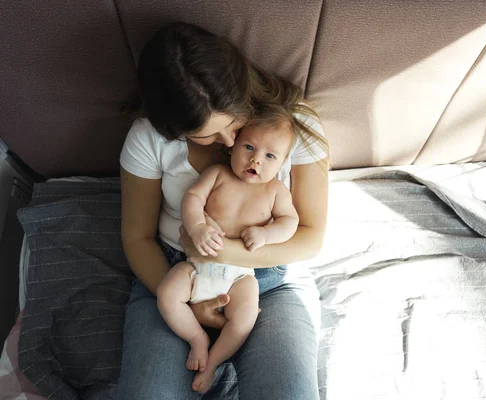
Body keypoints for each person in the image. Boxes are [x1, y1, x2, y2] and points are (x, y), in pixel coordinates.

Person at [117, 21, 329, 400]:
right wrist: (186, 299)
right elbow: (137, 237)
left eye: (234, 123)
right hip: (171, 272)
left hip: (269, 280)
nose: (230, 143)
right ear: (175, 129)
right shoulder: (148, 137)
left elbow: (310, 235)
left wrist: (226, 252)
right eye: (208, 136)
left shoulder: (292, 125)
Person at [156, 109, 300, 393]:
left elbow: (290, 222)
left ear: (283, 163)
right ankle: (197, 338)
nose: (256, 159)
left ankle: (214, 361)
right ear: (232, 145)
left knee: (246, 316)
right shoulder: (217, 173)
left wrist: (267, 233)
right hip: (197, 265)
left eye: (270, 156)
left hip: (239, 275)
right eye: (249, 147)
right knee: (167, 294)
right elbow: (193, 197)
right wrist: (197, 227)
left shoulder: (276, 190)